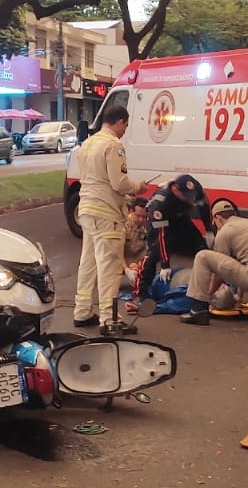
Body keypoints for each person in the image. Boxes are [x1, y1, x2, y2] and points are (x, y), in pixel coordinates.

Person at [72, 105, 148, 330]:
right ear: (121, 122)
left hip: (87, 210)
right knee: (110, 267)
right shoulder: (113, 145)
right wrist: (139, 187)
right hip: (107, 214)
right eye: (125, 126)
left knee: (88, 264)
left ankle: (82, 311)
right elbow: (119, 183)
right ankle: (110, 319)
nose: (124, 131)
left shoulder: (88, 143)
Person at [180, 201, 248, 326]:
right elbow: (245, 260)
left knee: (202, 256)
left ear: (217, 217)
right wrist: (238, 296)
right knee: (247, 264)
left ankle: (199, 310)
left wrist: (209, 295)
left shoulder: (225, 231)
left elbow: (219, 272)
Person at [130, 174, 214, 312]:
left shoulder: (195, 189)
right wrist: (165, 264)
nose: (190, 199)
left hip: (180, 217)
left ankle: (211, 283)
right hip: (159, 223)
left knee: (201, 247)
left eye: (191, 196)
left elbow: (204, 208)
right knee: (154, 252)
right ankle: (139, 294)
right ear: (175, 190)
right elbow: (162, 236)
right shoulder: (160, 203)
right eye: (186, 196)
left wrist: (209, 231)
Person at [124, 197, 149, 266]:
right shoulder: (122, 226)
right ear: (131, 211)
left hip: (140, 265)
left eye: (144, 217)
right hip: (122, 267)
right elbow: (116, 253)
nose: (141, 220)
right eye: (138, 216)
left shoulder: (147, 227)